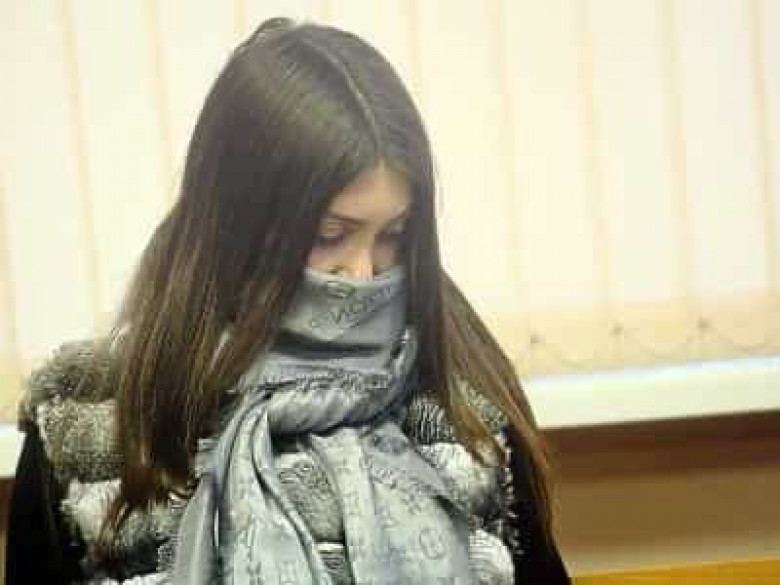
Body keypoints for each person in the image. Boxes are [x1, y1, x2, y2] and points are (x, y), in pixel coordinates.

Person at [6, 17, 571, 584]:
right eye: (329, 235)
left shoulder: (461, 401)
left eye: (393, 236)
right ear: (236, 228)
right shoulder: (89, 431)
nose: (362, 273)